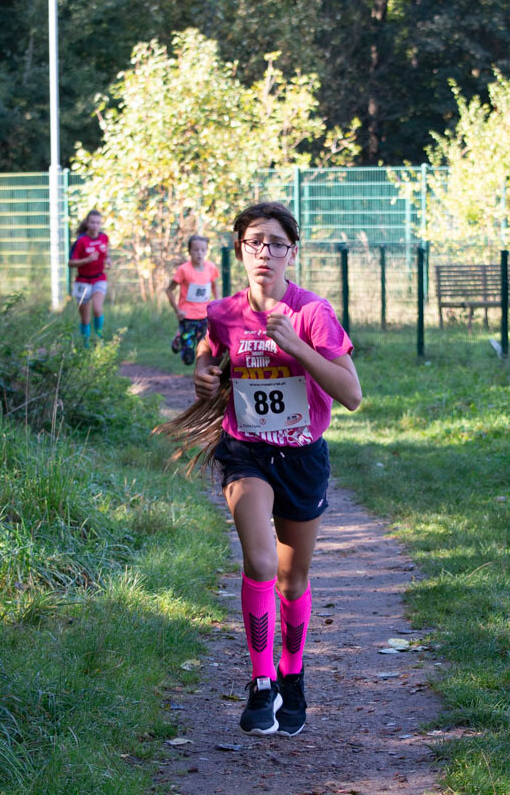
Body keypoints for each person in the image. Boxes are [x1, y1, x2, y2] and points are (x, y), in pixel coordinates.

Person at [157, 202, 361, 738]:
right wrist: (204, 376)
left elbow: (352, 395)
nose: (264, 252)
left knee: (293, 581)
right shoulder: (224, 312)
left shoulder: (312, 313)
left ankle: (293, 676)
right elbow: (209, 354)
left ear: (292, 252)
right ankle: (262, 681)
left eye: (275, 243)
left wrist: (296, 346)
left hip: (302, 455)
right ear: (240, 250)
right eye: (253, 242)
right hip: (245, 451)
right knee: (261, 559)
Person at [165, 234, 220, 365]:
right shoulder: (183, 270)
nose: (199, 253)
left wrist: (217, 302)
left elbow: (214, 284)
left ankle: (202, 371)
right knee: (188, 359)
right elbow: (169, 290)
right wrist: (177, 311)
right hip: (187, 317)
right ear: (189, 251)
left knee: (203, 349)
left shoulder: (211, 268)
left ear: (207, 251)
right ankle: (179, 338)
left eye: (203, 250)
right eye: (195, 250)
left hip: (205, 316)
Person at [69, 210, 111, 347]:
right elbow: (71, 263)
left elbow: (106, 253)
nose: (95, 226)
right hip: (83, 281)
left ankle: (98, 340)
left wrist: (108, 261)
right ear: (87, 223)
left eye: (98, 223)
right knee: (85, 319)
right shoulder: (81, 241)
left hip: (99, 278)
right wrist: (87, 260)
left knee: (98, 309)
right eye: (92, 222)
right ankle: (85, 347)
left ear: (101, 224)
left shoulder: (104, 238)